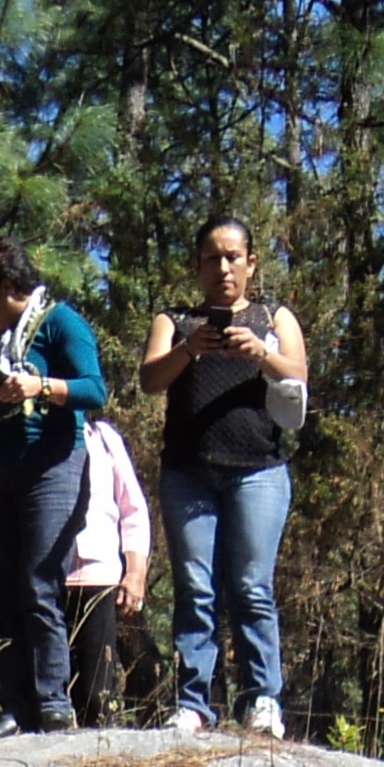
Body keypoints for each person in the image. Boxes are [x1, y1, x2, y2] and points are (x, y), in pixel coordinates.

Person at [139, 214, 308, 737]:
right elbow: (150, 379)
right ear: (197, 265)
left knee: (251, 586)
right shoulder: (175, 320)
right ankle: (194, 703)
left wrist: (262, 352)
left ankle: (262, 700)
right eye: (212, 258)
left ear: (251, 263)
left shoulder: (273, 316)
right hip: (188, 474)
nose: (223, 267)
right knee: (195, 588)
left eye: (233, 257)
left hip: (259, 471)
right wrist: (190, 348)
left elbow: (299, 375)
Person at [0, 233, 104, 738]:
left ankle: (53, 704)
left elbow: (95, 389)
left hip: (51, 467)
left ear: (8, 285)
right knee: (4, 589)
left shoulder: (60, 322)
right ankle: (14, 709)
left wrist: (42, 386)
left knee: (38, 583)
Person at [65, 416, 154, 725]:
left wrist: (135, 573)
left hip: (98, 577)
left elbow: (133, 509)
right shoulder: (25, 430)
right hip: (43, 581)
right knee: (51, 694)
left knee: (96, 693)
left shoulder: (102, 437)